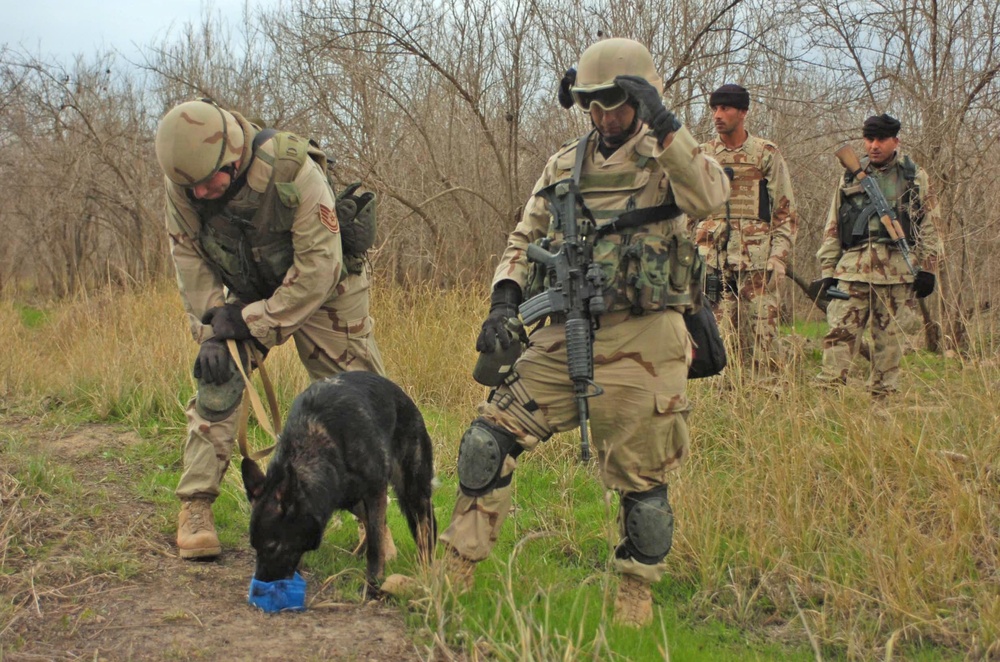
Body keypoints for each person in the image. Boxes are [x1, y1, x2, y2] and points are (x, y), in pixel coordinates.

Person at [437, 38, 729, 627]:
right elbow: (524, 237)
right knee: (486, 440)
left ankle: (635, 593)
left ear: (641, 99)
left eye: (616, 103)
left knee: (642, 483)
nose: (604, 116)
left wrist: (669, 128)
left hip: (645, 338)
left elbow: (712, 197)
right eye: (591, 104)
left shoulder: (665, 159)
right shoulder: (564, 164)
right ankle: (456, 573)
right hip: (567, 325)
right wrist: (504, 299)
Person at [154, 98, 386, 560]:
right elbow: (188, 259)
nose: (199, 195)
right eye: (190, 188)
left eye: (207, 184)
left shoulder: (295, 172)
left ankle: (372, 519)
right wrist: (214, 329)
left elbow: (319, 269)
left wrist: (253, 321)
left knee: (353, 401)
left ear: (232, 158)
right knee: (216, 378)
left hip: (325, 290)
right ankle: (196, 506)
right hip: (247, 284)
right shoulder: (184, 183)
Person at [815, 113, 943, 396]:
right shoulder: (850, 173)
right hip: (851, 271)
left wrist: (928, 269)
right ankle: (828, 401)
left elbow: (931, 226)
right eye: (869, 139)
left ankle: (883, 405)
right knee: (839, 336)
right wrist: (828, 271)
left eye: (881, 139)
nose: (874, 145)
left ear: (895, 140)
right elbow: (833, 226)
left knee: (889, 342)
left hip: (896, 273)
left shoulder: (914, 176)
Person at [694, 84, 797, 372]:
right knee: (716, 332)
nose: (717, 115)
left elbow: (784, 212)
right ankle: (725, 395)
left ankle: (768, 395)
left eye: (725, 108)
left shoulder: (765, 153)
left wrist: (778, 256)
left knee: (763, 334)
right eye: (714, 108)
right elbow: (687, 210)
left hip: (756, 262)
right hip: (712, 261)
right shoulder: (702, 156)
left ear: (743, 113)